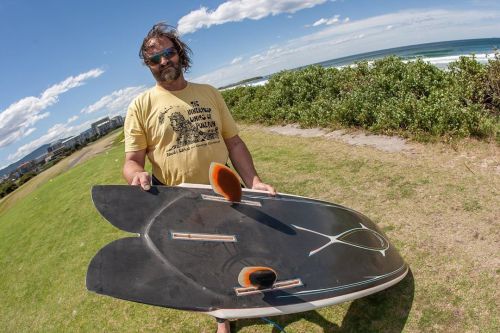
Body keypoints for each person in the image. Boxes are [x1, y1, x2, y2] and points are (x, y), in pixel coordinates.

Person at [122, 22, 276, 333]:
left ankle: (261, 292)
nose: (164, 61)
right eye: (155, 58)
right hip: (178, 201)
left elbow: (233, 142)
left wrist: (254, 182)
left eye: (168, 53)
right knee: (206, 260)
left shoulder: (208, 93)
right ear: (148, 65)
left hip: (225, 190)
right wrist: (136, 174)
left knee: (245, 246)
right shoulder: (140, 106)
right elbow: (132, 161)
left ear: (180, 53)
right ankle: (224, 317)